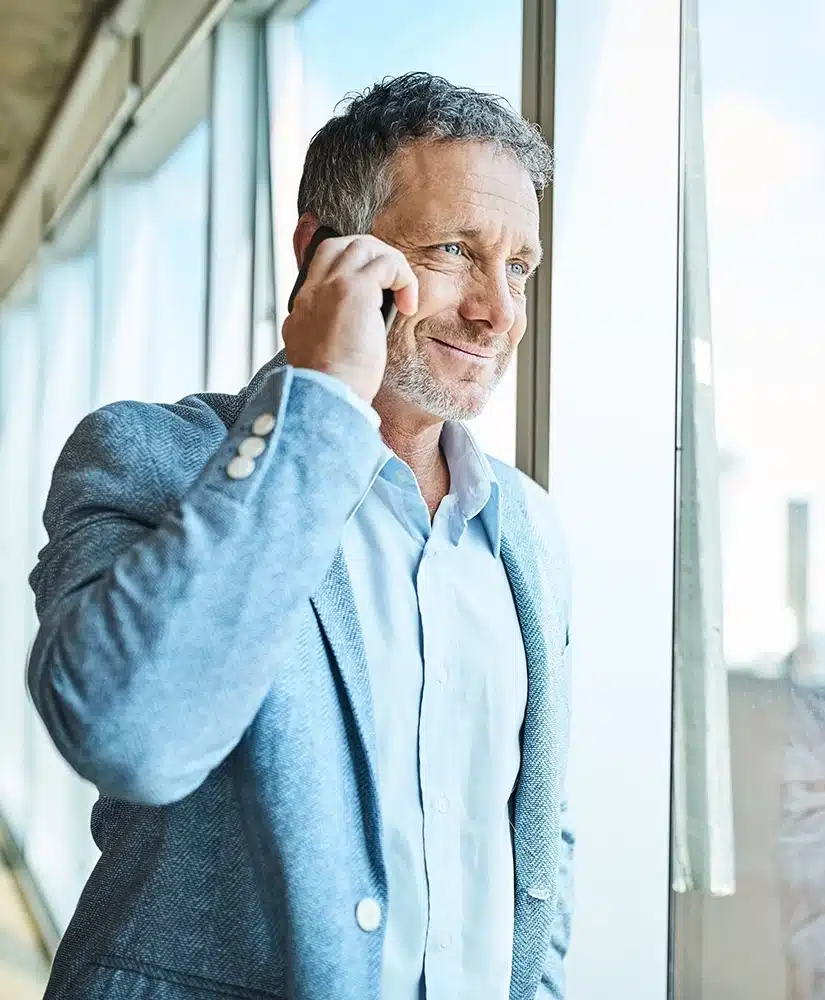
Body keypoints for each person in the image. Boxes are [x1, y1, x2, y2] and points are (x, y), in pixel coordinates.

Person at [28, 72, 573, 1000]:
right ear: (324, 252)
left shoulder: (526, 527)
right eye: (454, 251)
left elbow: (535, 840)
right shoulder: (149, 456)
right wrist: (320, 397)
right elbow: (130, 737)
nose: (499, 311)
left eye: (517, 267)